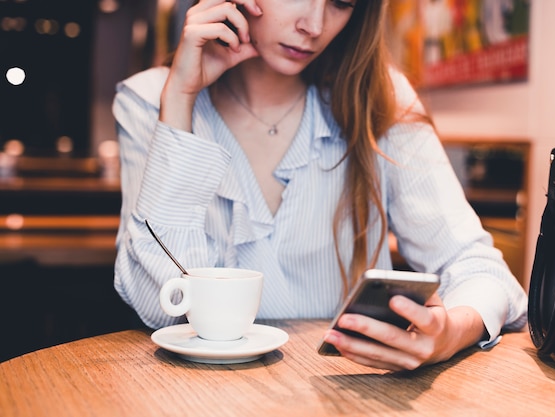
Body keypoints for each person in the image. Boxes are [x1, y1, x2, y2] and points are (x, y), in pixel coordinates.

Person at [113, 0, 528, 371]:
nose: (314, 24)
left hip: (341, 393)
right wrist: (181, 99)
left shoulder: (380, 98)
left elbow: (480, 269)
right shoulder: (152, 99)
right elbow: (158, 306)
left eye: (342, 3)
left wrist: (449, 332)